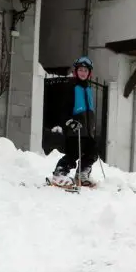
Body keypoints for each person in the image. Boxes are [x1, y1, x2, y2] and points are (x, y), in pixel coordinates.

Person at [50, 56, 99, 188]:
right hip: (74, 129)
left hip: (87, 130)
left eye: (85, 70)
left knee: (92, 152)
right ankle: (59, 173)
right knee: (73, 154)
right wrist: (69, 122)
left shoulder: (88, 89)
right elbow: (63, 109)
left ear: (89, 73)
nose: (83, 72)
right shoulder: (71, 87)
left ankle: (82, 174)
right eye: (80, 70)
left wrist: (92, 126)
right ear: (76, 71)